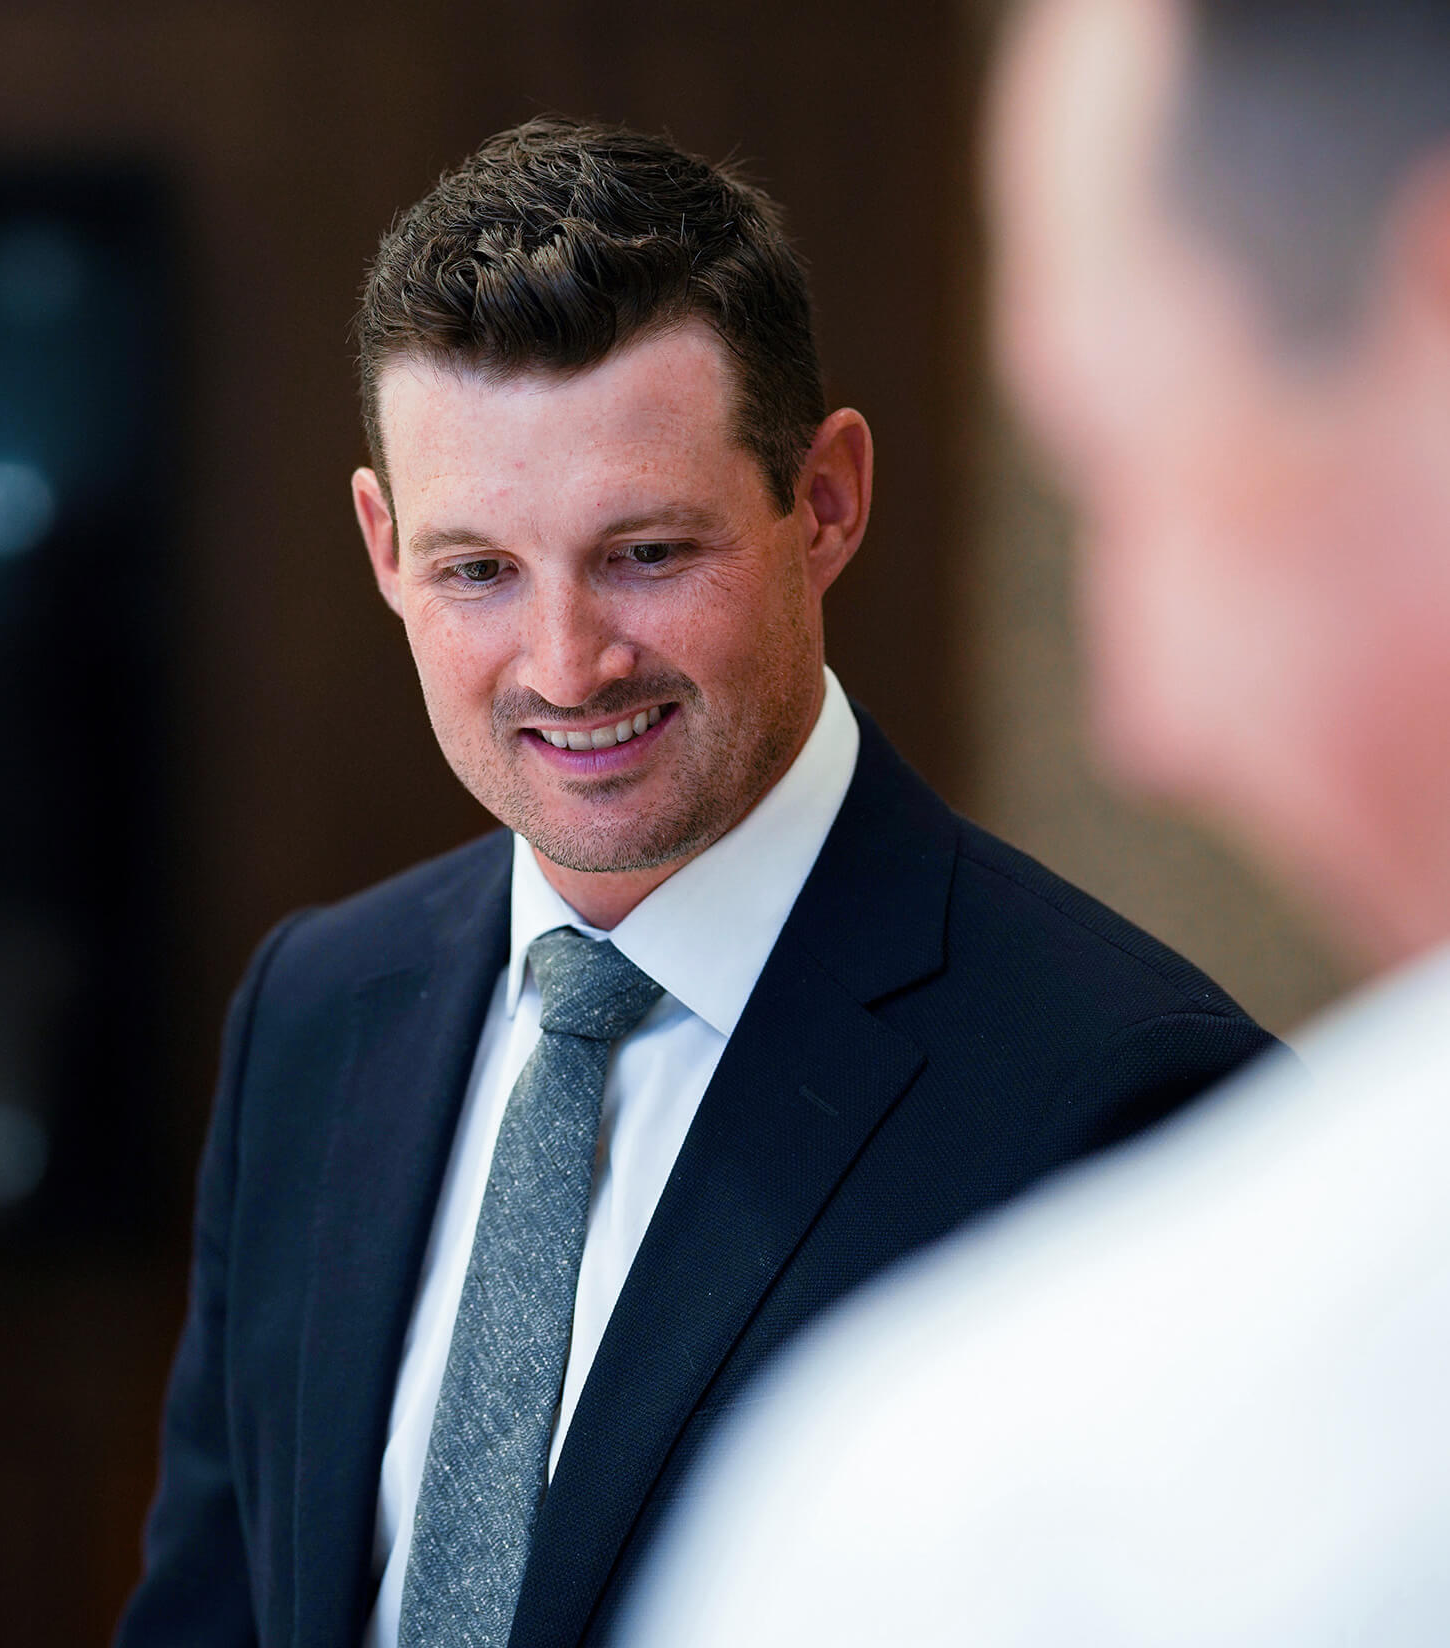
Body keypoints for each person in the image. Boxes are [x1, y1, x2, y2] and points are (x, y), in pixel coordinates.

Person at [114, 117, 1278, 1648]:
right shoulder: (317, 1012)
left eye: (647, 552)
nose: (565, 663)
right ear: (384, 548)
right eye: (477, 571)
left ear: (828, 502)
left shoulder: (1127, 1103)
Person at [616, 1, 1450, 1643]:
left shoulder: (1017, 1528)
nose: (1151, 712)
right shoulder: (310, 1012)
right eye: (475, 565)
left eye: (1138, 467)